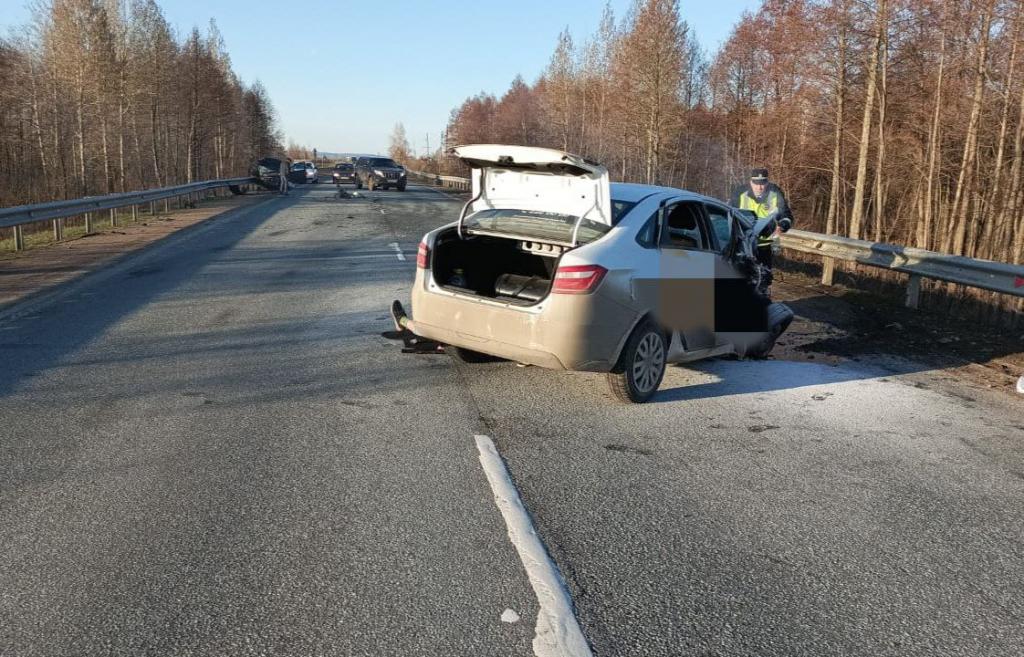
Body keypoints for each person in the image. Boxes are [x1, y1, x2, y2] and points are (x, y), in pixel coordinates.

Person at [731, 167, 793, 269]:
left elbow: (787, 215)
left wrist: (782, 225)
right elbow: (730, 214)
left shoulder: (775, 193)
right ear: (750, 182)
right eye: (756, 183)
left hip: (764, 245)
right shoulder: (740, 193)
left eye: (763, 183)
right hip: (743, 243)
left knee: (764, 276)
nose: (759, 187)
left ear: (767, 183)